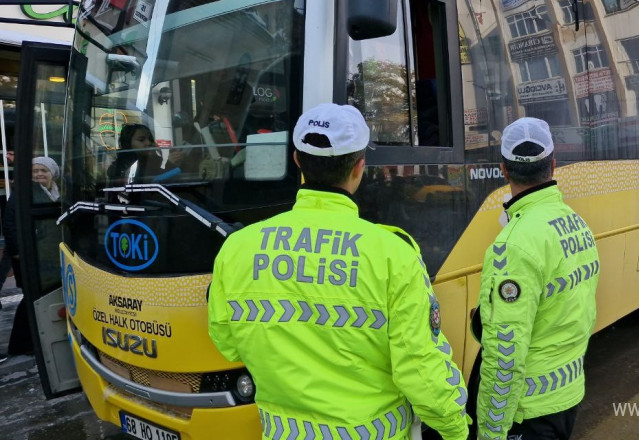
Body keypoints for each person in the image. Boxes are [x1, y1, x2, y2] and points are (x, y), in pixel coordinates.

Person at [207, 103, 469, 440]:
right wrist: (455, 429)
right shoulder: (393, 254)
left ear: (297, 160)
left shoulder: (238, 248)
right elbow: (420, 367)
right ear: (360, 166)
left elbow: (227, 343)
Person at [472, 117, 599, 440]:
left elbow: (505, 355)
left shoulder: (513, 244)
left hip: (529, 413)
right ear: (553, 166)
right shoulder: (576, 223)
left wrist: (491, 431)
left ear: (503, 170)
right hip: (567, 397)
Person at [0, 156, 62, 362]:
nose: (38, 175)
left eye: (43, 171)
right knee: (31, 298)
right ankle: (19, 345)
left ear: (52, 173)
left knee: (44, 297)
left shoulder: (58, 192)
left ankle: (36, 339)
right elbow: (10, 222)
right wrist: (18, 252)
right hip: (30, 256)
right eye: (34, 171)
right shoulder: (23, 194)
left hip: (51, 255)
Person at [106, 124, 187, 185]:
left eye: (150, 139)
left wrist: (180, 162)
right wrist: (169, 165)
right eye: (141, 140)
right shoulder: (118, 167)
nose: (148, 143)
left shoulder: (156, 160)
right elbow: (143, 187)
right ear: (128, 144)